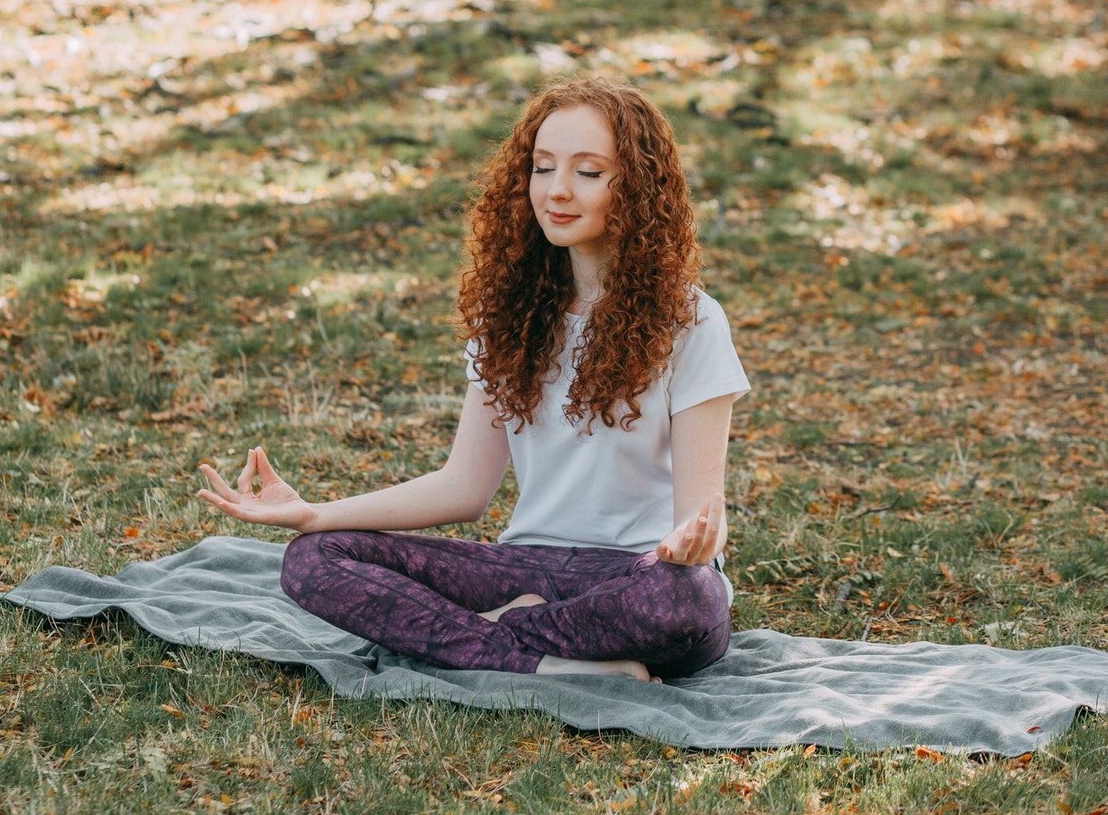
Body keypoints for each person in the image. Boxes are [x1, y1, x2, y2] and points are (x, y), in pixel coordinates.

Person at [198, 76, 750, 682]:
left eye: (589, 172)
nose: (558, 190)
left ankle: (482, 637)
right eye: (543, 167)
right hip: (525, 566)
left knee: (687, 597)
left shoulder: (692, 322)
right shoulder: (509, 315)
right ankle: (550, 663)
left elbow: (703, 514)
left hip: (638, 578)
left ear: (639, 188)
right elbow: (463, 486)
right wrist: (313, 514)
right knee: (314, 559)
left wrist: (690, 544)